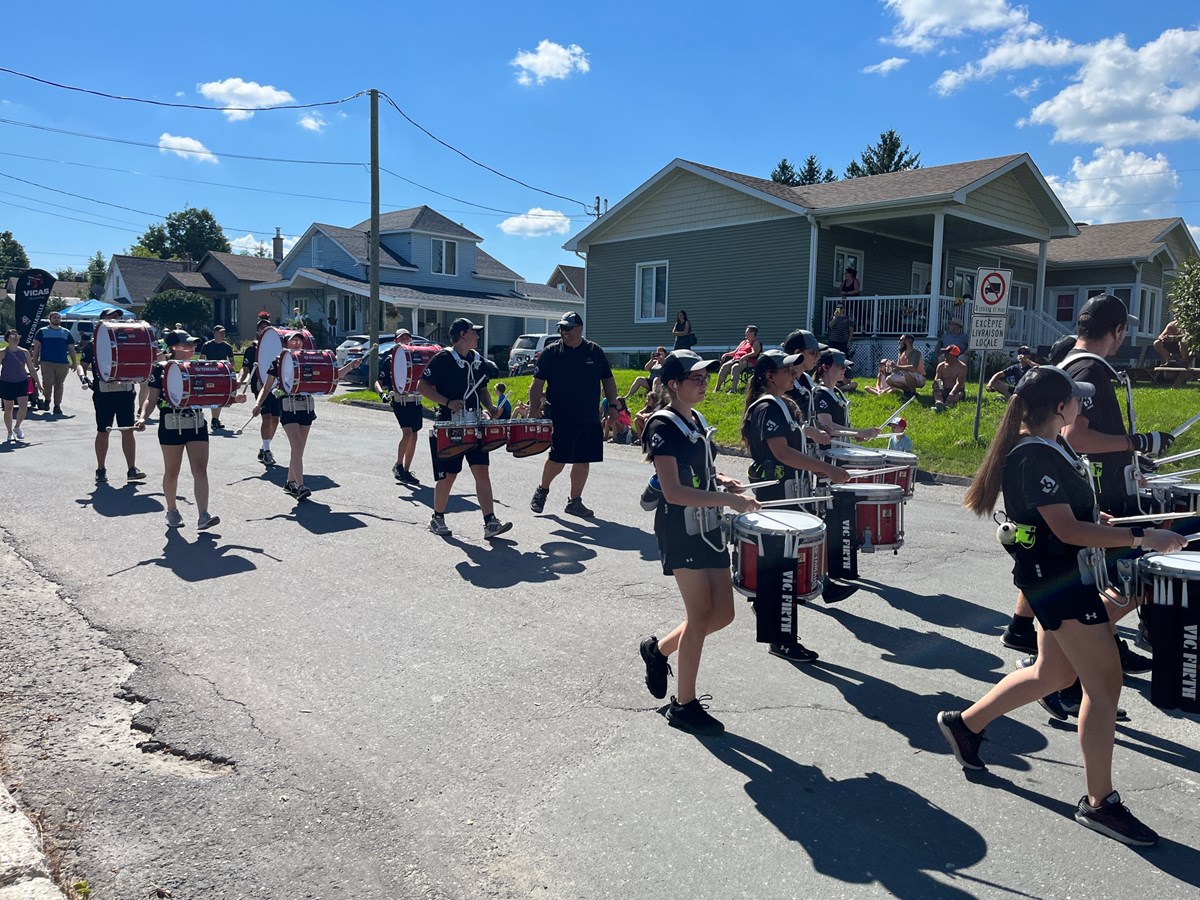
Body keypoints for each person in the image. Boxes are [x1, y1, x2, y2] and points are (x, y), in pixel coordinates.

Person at [938, 365, 1184, 846]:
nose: (1081, 405)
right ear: (1060, 406)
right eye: (1077, 399)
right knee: (1106, 684)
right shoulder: (1032, 457)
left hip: (1063, 577)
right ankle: (1100, 804)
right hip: (1057, 583)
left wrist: (1106, 519)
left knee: (1052, 675)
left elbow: (1072, 518)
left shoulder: (1055, 447)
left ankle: (964, 725)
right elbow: (1066, 532)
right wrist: (1138, 536)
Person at [636, 350, 759, 735]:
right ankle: (683, 705)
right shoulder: (662, 424)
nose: (704, 383)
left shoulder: (697, 419)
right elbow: (673, 490)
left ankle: (657, 652)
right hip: (680, 526)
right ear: (673, 384)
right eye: (696, 378)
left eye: (706, 377)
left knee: (722, 614)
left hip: (707, 523)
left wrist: (722, 480)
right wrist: (729, 500)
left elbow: (698, 469)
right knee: (701, 614)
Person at [741, 349, 852, 661]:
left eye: (793, 369)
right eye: (786, 370)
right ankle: (781, 639)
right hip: (778, 492)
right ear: (769, 376)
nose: (793, 374)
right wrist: (828, 470)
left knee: (785, 566)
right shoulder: (767, 407)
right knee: (784, 567)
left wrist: (816, 435)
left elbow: (796, 436)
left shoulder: (782, 405)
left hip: (790, 490)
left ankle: (772, 615)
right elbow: (782, 453)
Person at [137, 331, 246, 529]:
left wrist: (233, 398)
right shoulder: (160, 369)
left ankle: (203, 515)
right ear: (173, 348)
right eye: (186, 346)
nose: (191, 350)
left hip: (196, 422)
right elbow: (150, 399)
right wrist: (143, 416)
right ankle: (171, 511)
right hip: (171, 423)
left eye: (193, 346)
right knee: (172, 471)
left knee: (200, 470)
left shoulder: (199, 368)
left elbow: (214, 393)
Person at [418, 317, 512, 539]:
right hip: (450, 423)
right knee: (449, 474)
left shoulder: (477, 360)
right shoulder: (443, 358)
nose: (478, 336)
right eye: (474, 332)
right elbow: (422, 386)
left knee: (481, 469)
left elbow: (482, 389)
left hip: (475, 422)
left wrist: (491, 407)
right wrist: (447, 402)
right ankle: (437, 517)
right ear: (462, 334)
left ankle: (490, 522)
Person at [528, 311, 619, 518]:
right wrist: (534, 409)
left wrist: (613, 405)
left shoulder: (594, 351)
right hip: (561, 415)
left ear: (579, 329)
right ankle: (542, 490)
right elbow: (536, 384)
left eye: (568, 328)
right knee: (558, 459)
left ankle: (574, 502)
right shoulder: (551, 352)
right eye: (561, 328)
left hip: (588, 415)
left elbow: (608, 380)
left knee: (583, 459)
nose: (564, 332)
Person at [254, 331, 360, 501]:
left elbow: (333, 375)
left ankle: (290, 482)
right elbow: (267, 387)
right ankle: (300, 486)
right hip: (288, 407)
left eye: (299, 341)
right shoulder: (279, 361)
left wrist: (350, 366)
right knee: (296, 447)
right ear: (286, 343)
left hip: (307, 407)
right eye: (293, 340)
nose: (296, 343)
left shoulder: (308, 359)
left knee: (299, 449)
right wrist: (258, 404)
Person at [80, 308, 145, 483]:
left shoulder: (128, 342)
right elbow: (82, 364)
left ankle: (132, 469)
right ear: (102, 322)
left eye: (118, 317)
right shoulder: (94, 343)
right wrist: (83, 376)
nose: (117, 320)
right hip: (104, 393)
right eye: (112, 317)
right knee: (103, 431)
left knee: (127, 431)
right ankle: (101, 468)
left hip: (125, 392)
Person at [376, 328, 425, 486]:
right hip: (399, 401)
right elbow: (378, 382)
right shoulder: (390, 360)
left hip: (415, 401)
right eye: (401, 338)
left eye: (407, 337)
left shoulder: (416, 358)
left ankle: (406, 470)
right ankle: (398, 465)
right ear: (396, 341)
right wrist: (381, 394)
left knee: (414, 436)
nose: (405, 340)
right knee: (408, 433)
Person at [239, 315, 282, 468]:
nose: (264, 329)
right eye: (262, 327)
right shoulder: (252, 350)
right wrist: (238, 383)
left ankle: (264, 447)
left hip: (275, 386)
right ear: (258, 330)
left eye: (267, 327)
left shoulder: (277, 347)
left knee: (276, 419)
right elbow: (244, 370)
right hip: (260, 385)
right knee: (267, 417)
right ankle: (268, 451)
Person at [813, 348, 880, 443]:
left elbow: (839, 422)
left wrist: (853, 434)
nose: (845, 369)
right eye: (840, 366)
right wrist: (860, 432)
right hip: (827, 452)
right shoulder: (820, 395)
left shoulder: (836, 392)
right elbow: (828, 427)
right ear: (825, 367)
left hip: (840, 448)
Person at [31, 311, 78, 415]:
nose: (56, 319)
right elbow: (37, 347)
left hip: (62, 363)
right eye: (54, 317)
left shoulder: (66, 332)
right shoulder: (42, 331)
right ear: (50, 319)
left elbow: (71, 348)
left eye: (58, 317)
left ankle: (57, 405)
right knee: (47, 383)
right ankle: (47, 400)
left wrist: (74, 362)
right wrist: (35, 361)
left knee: (59, 384)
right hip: (47, 362)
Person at [1, 327, 37, 443]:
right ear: (7, 338)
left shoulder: (24, 352)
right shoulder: (3, 352)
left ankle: (17, 427)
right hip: (7, 383)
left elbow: (31, 369)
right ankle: (9, 432)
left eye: (17, 336)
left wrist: (39, 384)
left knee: (23, 408)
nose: (16, 338)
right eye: (13, 336)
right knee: (8, 408)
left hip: (22, 382)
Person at [198, 326, 236, 431]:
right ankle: (214, 420)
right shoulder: (207, 345)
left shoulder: (227, 347)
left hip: (222, 375)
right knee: (212, 396)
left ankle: (215, 419)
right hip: (210, 374)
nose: (223, 335)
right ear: (214, 333)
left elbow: (232, 362)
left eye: (224, 333)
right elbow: (201, 360)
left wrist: (228, 367)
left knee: (220, 396)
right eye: (220, 333)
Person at [713, 325, 763, 392]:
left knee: (735, 367)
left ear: (753, 333)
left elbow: (755, 353)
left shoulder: (756, 342)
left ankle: (733, 389)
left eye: (747, 332)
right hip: (736, 359)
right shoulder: (743, 342)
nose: (745, 333)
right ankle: (717, 388)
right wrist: (726, 354)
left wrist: (746, 356)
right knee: (724, 366)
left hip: (747, 361)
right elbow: (735, 352)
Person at [932, 345, 968, 410]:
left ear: (953, 356)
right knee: (936, 391)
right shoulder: (941, 366)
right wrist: (940, 389)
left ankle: (947, 405)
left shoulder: (962, 367)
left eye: (946, 354)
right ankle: (939, 402)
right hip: (944, 389)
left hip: (957, 390)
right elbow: (937, 380)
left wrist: (952, 393)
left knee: (959, 395)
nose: (944, 356)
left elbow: (959, 383)